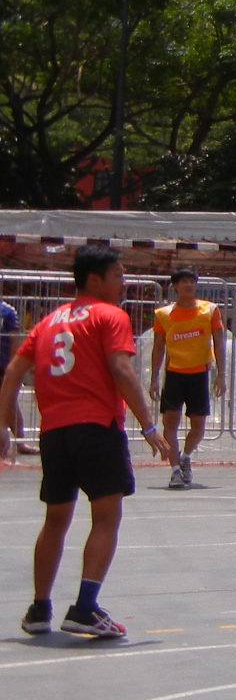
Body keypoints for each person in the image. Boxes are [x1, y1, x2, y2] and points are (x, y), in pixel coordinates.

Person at [2, 245, 171, 638]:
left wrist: (3, 426)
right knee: (106, 516)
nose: (124, 284)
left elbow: (12, 372)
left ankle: (40, 607)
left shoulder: (49, 322)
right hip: (96, 427)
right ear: (95, 279)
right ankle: (85, 606)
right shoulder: (110, 316)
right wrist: (148, 424)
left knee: (55, 520)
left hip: (55, 433)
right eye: (119, 276)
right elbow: (120, 368)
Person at [148, 269, 228, 490]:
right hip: (175, 374)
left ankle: (186, 456)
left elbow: (219, 343)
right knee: (170, 422)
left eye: (192, 281)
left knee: (198, 426)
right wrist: (154, 378)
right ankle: (174, 470)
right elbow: (158, 347)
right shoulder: (163, 314)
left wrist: (221, 374)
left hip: (200, 374)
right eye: (184, 282)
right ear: (175, 286)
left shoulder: (210, 310)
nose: (189, 285)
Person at [0, 296, 21, 461]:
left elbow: (15, 339)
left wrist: (14, 364)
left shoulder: (8, 311)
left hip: (2, 363)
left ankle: (20, 440)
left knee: (10, 402)